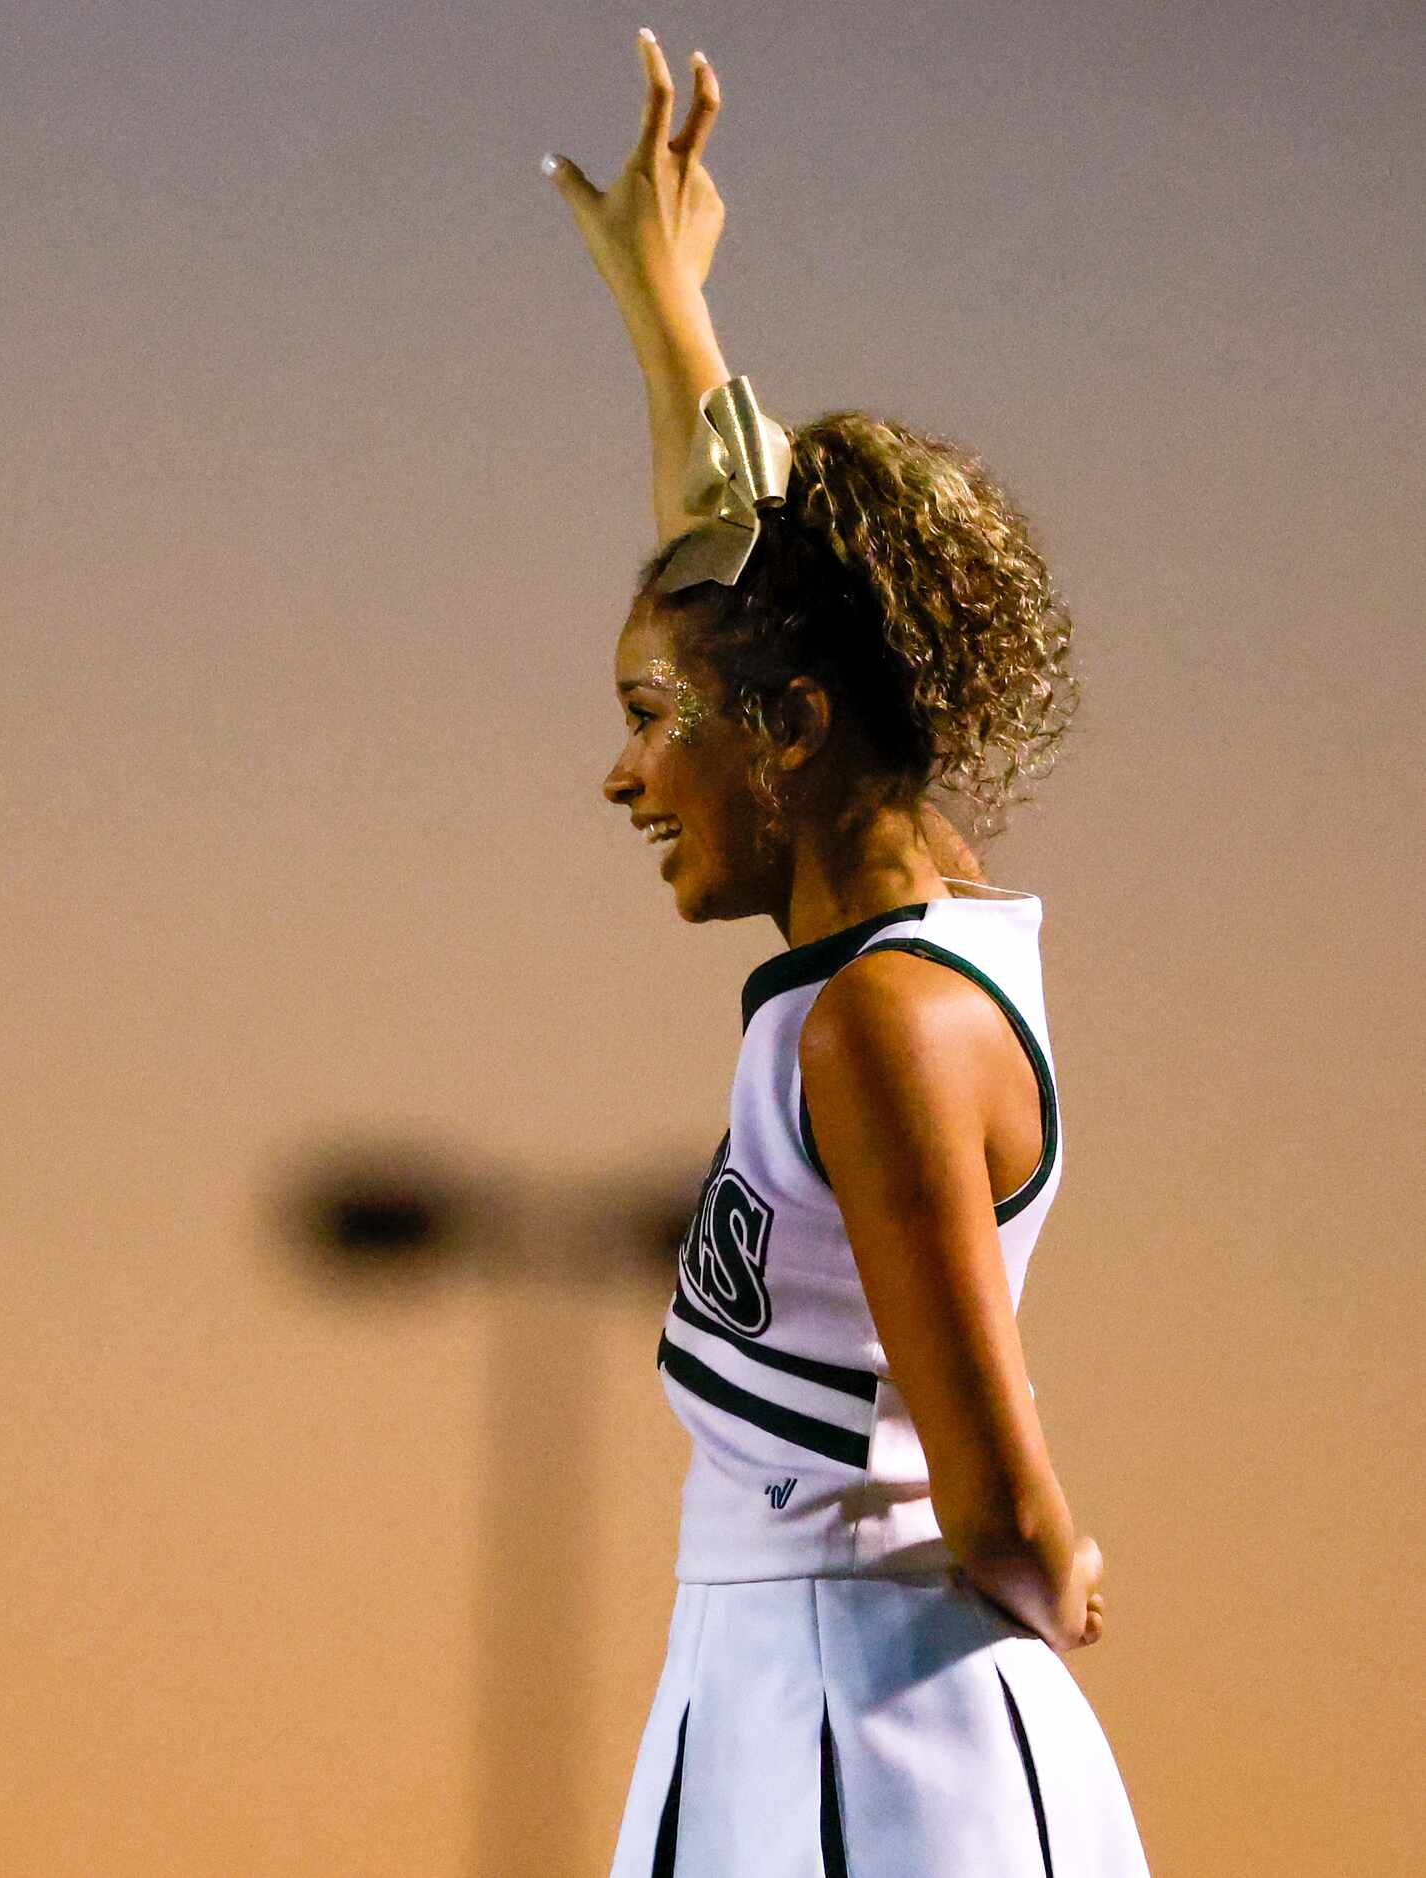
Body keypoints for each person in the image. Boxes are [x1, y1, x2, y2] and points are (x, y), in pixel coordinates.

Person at [543, 31, 1149, 1876]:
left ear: (792, 727)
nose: (628, 772)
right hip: (774, 1678)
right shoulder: (900, 927)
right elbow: (758, 570)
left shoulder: (884, 1023)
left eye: (661, 717)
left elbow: (1000, 1504)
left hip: (868, 1732)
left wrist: (1058, 1572)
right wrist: (673, 318)